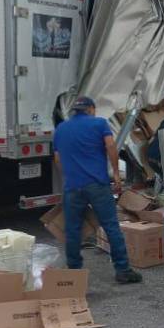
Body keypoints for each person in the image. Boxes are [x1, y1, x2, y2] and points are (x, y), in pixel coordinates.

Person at [53, 96, 142, 284]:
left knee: (73, 230)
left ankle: (74, 272)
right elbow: (111, 146)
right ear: (91, 109)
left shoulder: (61, 128)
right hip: (97, 184)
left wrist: (69, 176)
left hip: (72, 187)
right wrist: (116, 174)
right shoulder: (99, 124)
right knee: (111, 226)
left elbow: (58, 159)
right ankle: (123, 270)